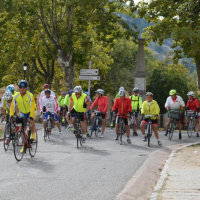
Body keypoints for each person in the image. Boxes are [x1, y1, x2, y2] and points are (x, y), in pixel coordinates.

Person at [10, 80, 36, 152]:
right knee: (22, 129)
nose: (22, 89)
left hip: (31, 111)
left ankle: (33, 134)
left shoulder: (30, 95)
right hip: (23, 112)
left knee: (31, 121)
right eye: (20, 87)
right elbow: (12, 106)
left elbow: (32, 106)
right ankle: (24, 145)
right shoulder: (16, 96)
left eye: (23, 87)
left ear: (26, 88)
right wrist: (11, 115)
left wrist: (31, 116)